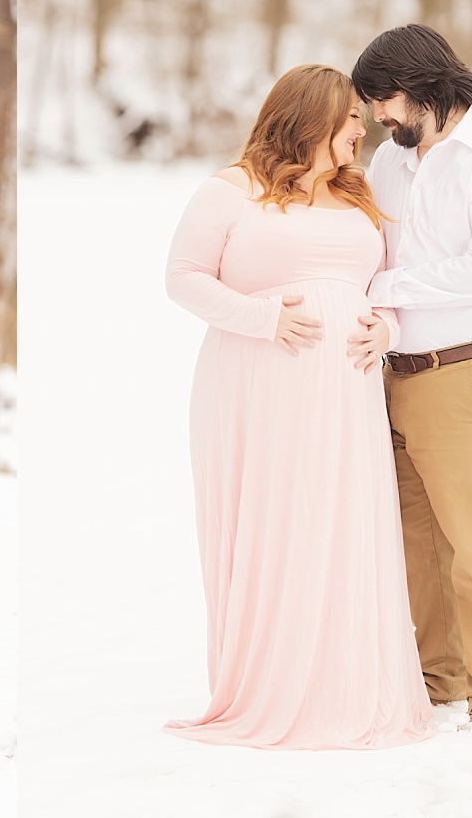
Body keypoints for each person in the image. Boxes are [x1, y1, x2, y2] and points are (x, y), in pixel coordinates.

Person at [162, 64, 433, 749]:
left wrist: (388, 328)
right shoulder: (232, 190)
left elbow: (387, 285)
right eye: (348, 117)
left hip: (346, 398)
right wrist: (260, 319)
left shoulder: (360, 194)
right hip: (257, 387)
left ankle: (344, 685)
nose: (362, 128)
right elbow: (183, 278)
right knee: (275, 524)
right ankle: (270, 687)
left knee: (344, 524)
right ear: (310, 119)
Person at [350, 24, 472, 732]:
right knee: (417, 545)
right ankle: (439, 681)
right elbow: (368, 247)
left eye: (386, 99)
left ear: (425, 82)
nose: (379, 116)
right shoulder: (392, 162)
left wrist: (390, 287)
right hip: (396, 371)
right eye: (372, 106)